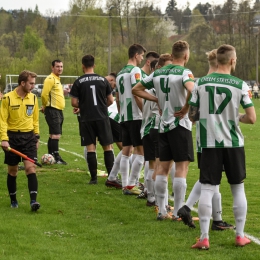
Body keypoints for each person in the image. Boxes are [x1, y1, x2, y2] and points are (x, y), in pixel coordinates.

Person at [189, 44, 256, 249]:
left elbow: (192, 115)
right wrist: (237, 117)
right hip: (233, 142)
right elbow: (252, 118)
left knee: (208, 188)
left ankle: (204, 238)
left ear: (216, 60)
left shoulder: (200, 83)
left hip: (209, 142)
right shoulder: (240, 85)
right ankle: (240, 235)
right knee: (237, 187)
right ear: (233, 61)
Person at [132, 41, 195, 220]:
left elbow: (136, 89)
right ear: (185, 55)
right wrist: (185, 108)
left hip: (162, 125)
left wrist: (156, 99)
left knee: (162, 169)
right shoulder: (185, 72)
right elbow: (193, 89)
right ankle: (177, 213)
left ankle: (161, 210)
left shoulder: (158, 72)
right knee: (181, 169)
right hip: (179, 124)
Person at [177, 49, 233, 230]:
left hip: (202, 136)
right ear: (220, 63)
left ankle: (217, 220)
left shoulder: (199, 83)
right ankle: (187, 207)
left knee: (212, 179)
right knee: (209, 178)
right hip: (218, 138)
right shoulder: (218, 83)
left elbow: (192, 115)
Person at [70, 54, 115, 184]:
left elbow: (73, 102)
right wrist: (101, 107)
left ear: (83, 66)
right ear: (94, 65)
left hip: (87, 118)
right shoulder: (102, 80)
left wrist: (84, 106)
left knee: (91, 148)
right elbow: (111, 100)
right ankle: (110, 177)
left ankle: (93, 179)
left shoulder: (78, 81)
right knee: (107, 147)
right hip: (102, 117)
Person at [0, 70, 41, 211]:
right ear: (22, 83)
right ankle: (13, 200)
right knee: (13, 171)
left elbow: (35, 119)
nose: (33, 86)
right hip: (12, 138)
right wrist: (4, 139)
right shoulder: (7, 98)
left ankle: (33, 202)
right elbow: (2, 120)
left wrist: (37, 136)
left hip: (29, 138)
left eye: (34, 83)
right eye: (31, 83)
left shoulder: (34, 98)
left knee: (30, 168)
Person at [116, 43, 147, 195]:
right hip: (135, 115)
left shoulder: (120, 72)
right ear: (136, 55)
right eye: (141, 56)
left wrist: (121, 113)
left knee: (126, 151)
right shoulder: (136, 70)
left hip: (124, 116)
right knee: (141, 152)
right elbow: (137, 92)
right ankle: (131, 185)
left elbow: (117, 97)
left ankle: (124, 184)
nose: (142, 58)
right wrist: (144, 112)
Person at [41, 59, 67, 165]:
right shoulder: (50, 79)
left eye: (61, 66)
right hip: (52, 110)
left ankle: (50, 155)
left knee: (53, 134)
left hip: (58, 110)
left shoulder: (57, 79)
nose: (60, 68)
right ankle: (56, 157)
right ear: (52, 67)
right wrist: (44, 105)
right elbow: (44, 94)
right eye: (57, 66)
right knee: (56, 134)